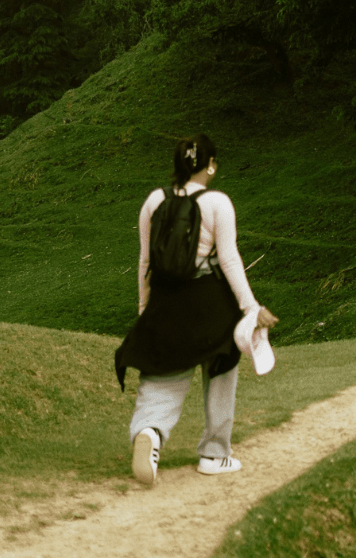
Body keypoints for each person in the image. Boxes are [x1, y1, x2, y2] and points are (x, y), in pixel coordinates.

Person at [115, 135, 278, 486]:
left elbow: (145, 261)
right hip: (210, 301)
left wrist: (146, 310)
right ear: (212, 165)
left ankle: (149, 431)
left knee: (163, 371)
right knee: (222, 362)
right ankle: (214, 453)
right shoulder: (218, 202)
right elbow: (230, 258)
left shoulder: (154, 200)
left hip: (165, 301)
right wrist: (251, 308)